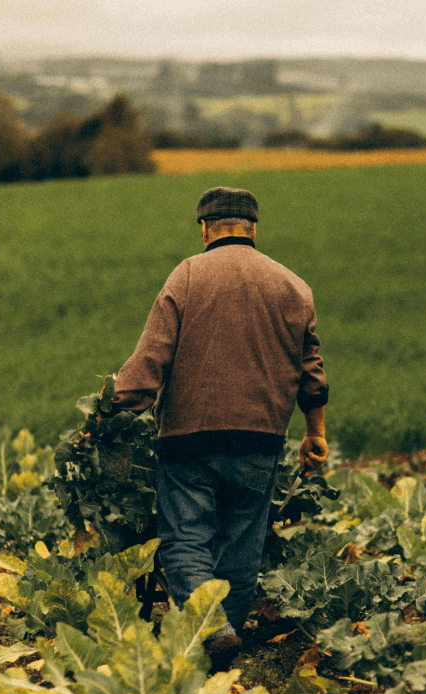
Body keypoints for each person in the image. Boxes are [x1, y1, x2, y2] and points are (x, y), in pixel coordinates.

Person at [112, 186, 329, 664]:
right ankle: (224, 638)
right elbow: (311, 373)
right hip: (261, 436)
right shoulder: (292, 285)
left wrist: (115, 406)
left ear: (204, 227)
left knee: (186, 537)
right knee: (242, 539)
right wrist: (316, 433)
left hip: (188, 436)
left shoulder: (187, 275)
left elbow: (151, 357)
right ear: (253, 228)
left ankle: (212, 628)